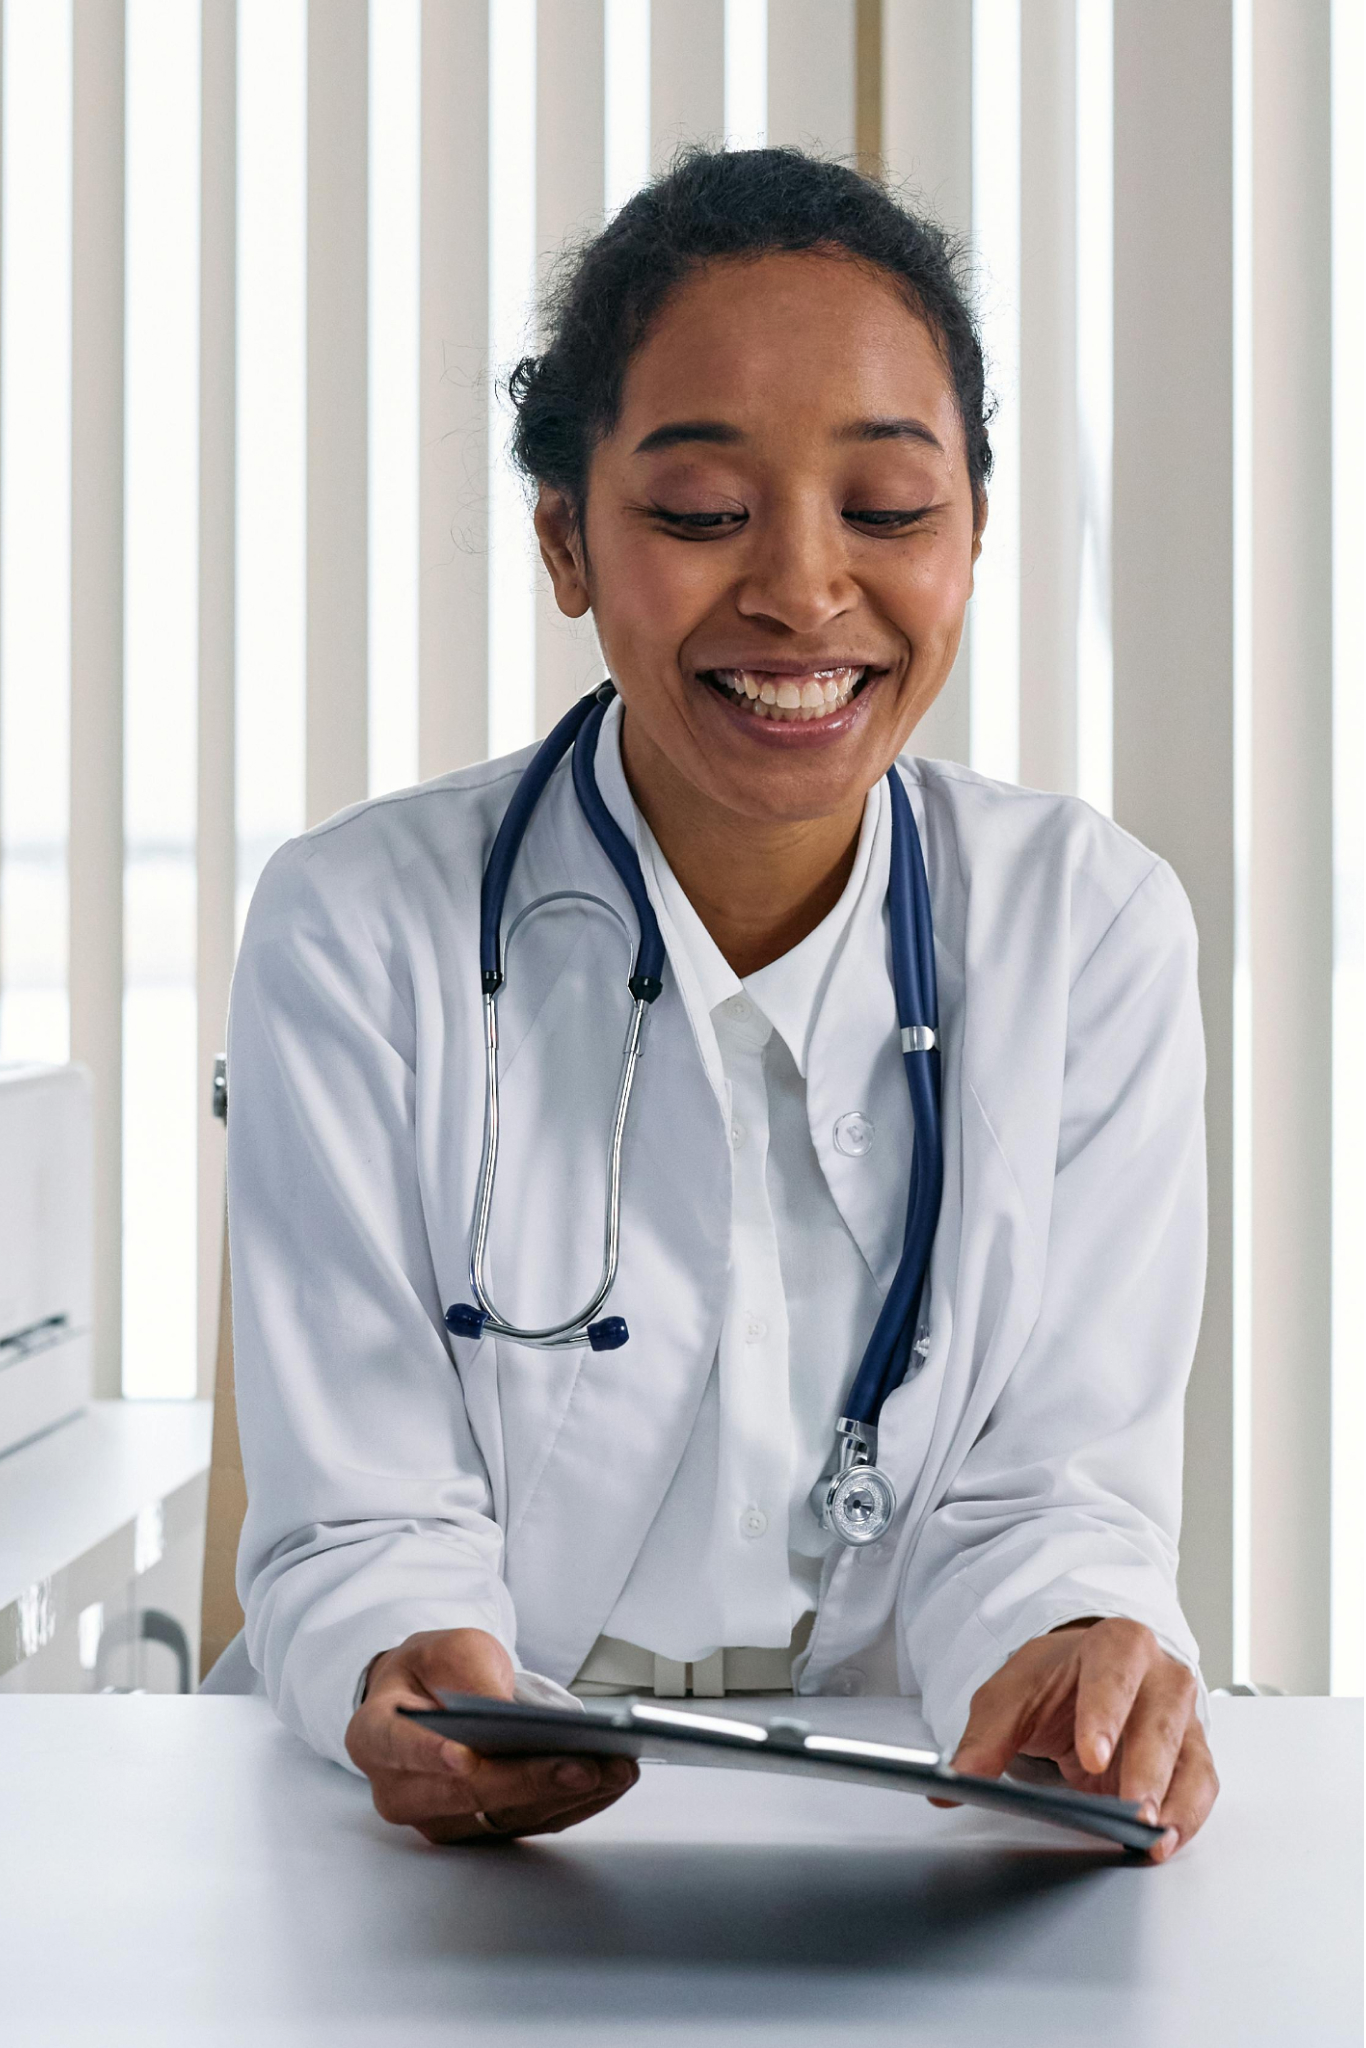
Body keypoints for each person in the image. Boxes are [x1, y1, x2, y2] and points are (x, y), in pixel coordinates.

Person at [215, 147, 1218, 1857]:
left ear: (970, 536)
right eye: (696, 515)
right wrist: (412, 1670)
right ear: (567, 541)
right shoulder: (357, 926)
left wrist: (1071, 1654)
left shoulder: (1086, 927)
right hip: (433, 1851)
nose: (802, 590)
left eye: (889, 511)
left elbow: (1051, 1491)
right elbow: (361, 1515)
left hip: (910, 1813)